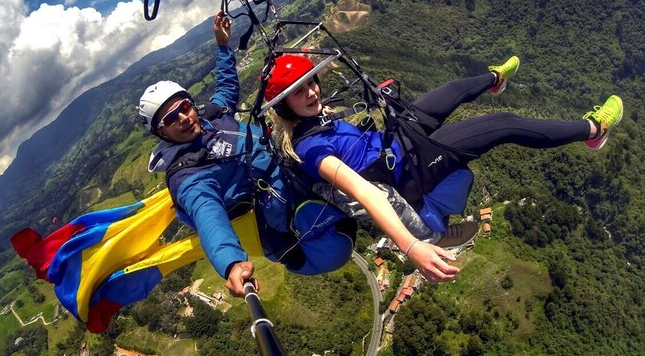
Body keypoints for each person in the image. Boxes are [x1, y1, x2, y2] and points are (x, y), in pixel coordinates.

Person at [265, 53, 624, 282]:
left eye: (311, 82)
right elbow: (364, 193)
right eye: (299, 92)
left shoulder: (315, 121)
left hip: (397, 143)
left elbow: (345, 137)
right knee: (503, 124)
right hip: (409, 171)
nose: (312, 92)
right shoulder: (311, 148)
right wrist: (409, 246)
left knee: (451, 91)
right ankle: (594, 130)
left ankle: (494, 79)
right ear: (285, 108)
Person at [139, 12, 356, 296]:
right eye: (169, 119)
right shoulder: (189, 176)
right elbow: (209, 218)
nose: (182, 117)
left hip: (292, 176)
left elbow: (227, 86)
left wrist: (221, 45)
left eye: (184, 107)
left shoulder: (211, 118)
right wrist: (231, 264)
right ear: (161, 133)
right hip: (302, 230)